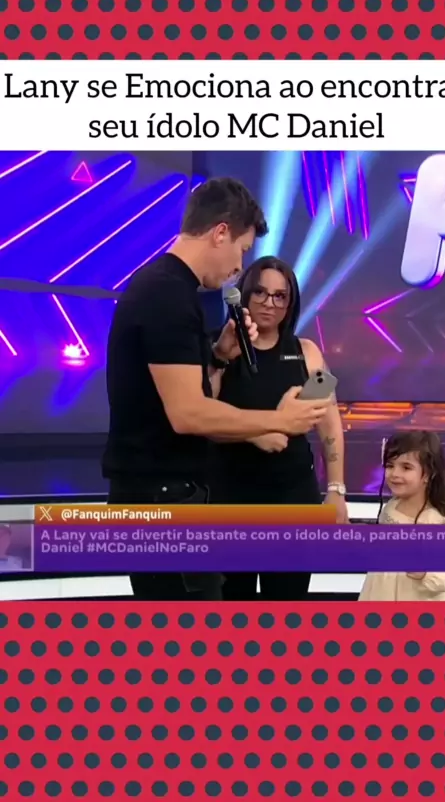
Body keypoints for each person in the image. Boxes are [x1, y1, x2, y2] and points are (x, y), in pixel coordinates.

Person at [102, 178, 331, 601]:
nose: (237, 267)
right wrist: (278, 421)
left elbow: (182, 396)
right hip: (162, 499)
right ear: (220, 232)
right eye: (242, 250)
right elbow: (188, 413)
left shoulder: (171, 290)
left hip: (180, 495)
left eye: (280, 296)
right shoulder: (167, 295)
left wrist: (220, 356)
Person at [208, 255, 348, 601]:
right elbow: (200, 416)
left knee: (288, 605)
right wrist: (254, 432)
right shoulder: (220, 351)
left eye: (279, 296)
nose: (269, 303)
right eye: (260, 292)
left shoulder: (307, 353)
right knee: (231, 606)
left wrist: (336, 490)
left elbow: (329, 420)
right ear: (244, 295)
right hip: (231, 499)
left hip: (292, 498)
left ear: (290, 303)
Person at [359, 430, 445, 601]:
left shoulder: (434, 522)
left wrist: (424, 573)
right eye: (390, 466)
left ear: (428, 474)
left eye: (406, 468)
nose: (395, 474)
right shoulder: (391, 506)